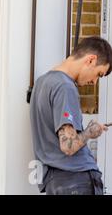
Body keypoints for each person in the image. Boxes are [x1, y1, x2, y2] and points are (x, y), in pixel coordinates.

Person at [30, 36, 112, 195]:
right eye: (98, 74)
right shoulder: (65, 87)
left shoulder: (42, 82)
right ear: (91, 60)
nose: (94, 82)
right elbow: (68, 146)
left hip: (56, 180)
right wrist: (90, 132)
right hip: (76, 180)